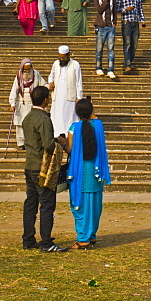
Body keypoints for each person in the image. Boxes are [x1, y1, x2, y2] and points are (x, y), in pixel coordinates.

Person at [21, 84, 68, 252]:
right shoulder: (43, 118)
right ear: (46, 100)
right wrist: (60, 143)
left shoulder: (28, 118)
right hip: (42, 168)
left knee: (30, 203)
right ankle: (46, 242)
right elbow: (48, 145)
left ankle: (28, 239)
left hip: (29, 165)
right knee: (47, 204)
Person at [67, 96, 111, 248]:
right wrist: (90, 110)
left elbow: (70, 149)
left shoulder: (74, 128)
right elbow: (94, 118)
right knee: (94, 204)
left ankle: (83, 238)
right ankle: (91, 235)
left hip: (79, 172)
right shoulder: (98, 125)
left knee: (80, 204)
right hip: (95, 171)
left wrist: (61, 142)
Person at [9, 57, 47, 147]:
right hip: (21, 103)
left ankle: (31, 142)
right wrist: (12, 104)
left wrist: (49, 87)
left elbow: (43, 84)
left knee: (32, 124)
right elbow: (14, 90)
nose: (27, 71)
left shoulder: (36, 74)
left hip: (32, 103)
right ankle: (21, 143)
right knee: (20, 124)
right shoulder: (18, 76)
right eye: (25, 69)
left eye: (28, 69)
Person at [48, 46, 84, 137]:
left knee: (69, 117)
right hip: (57, 95)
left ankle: (69, 136)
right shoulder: (56, 63)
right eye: (60, 57)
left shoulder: (75, 64)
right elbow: (51, 75)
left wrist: (79, 97)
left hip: (70, 96)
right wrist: (50, 82)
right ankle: (57, 135)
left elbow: (79, 82)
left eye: (63, 57)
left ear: (68, 55)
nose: (62, 59)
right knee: (57, 116)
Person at [116, 0, 146, 73]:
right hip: (126, 22)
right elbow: (117, 8)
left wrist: (142, 20)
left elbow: (140, 8)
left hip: (135, 22)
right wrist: (126, 9)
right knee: (127, 43)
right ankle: (127, 64)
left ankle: (129, 60)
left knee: (135, 44)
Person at [94, 0, 117, 80]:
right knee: (99, 49)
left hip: (110, 25)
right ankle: (98, 67)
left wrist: (115, 22)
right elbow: (99, 10)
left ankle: (110, 69)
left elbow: (115, 11)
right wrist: (105, 1)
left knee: (111, 49)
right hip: (101, 25)